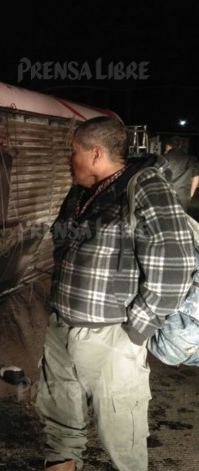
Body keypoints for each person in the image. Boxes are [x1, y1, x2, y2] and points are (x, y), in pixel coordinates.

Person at [35, 117, 196, 471]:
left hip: (111, 335)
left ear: (96, 153)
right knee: (59, 422)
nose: (68, 159)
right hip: (62, 328)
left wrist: (136, 329)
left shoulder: (144, 186)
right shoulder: (82, 191)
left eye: (73, 152)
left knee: (122, 433)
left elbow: (175, 263)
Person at [161, 135, 199, 211]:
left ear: (167, 146)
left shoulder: (164, 158)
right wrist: (190, 194)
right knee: (181, 218)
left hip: (166, 194)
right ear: (180, 145)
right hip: (183, 196)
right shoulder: (191, 158)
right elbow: (196, 177)